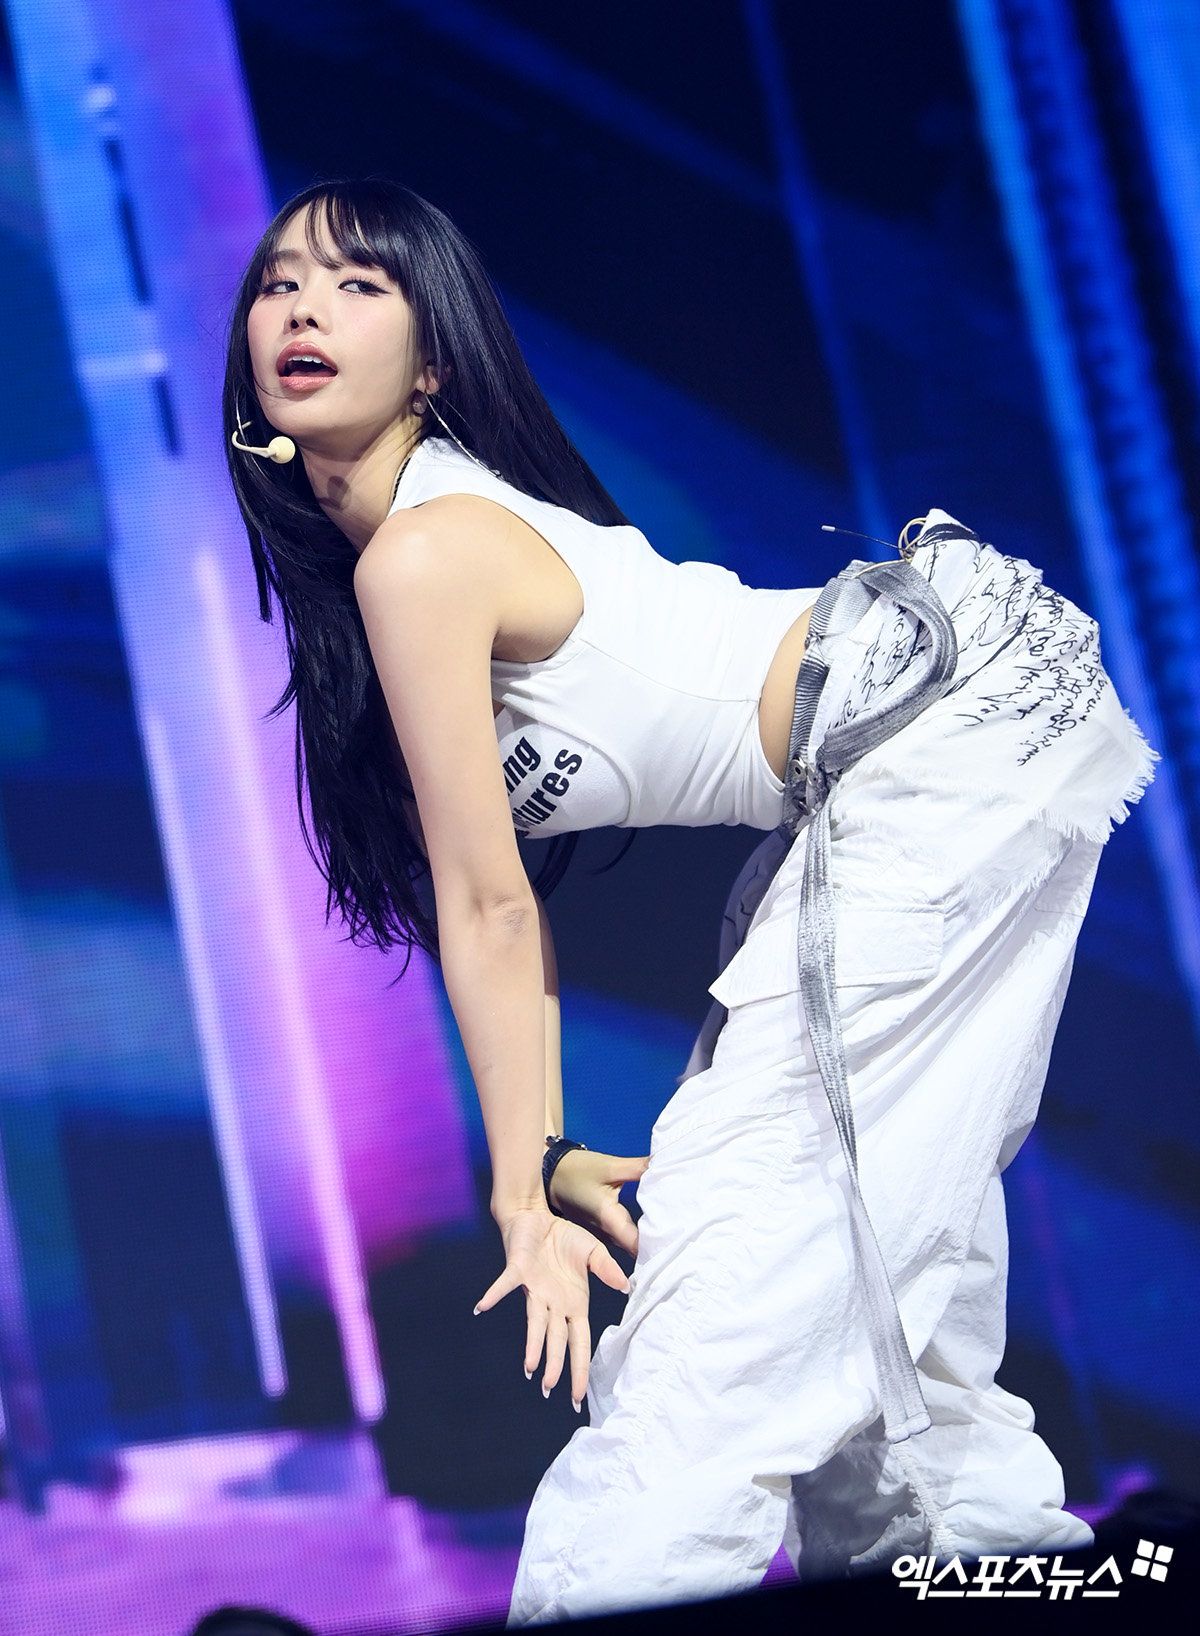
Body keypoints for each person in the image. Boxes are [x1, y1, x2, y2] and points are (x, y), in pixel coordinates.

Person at [224, 179, 1153, 1622]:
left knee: (719, 1311)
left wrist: (519, 1195)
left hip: (930, 728)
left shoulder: (426, 549)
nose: (305, 307)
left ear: (434, 361)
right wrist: (541, 1155)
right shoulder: (393, 571)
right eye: (281, 283)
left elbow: (490, 906)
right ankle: (1004, 1582)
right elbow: (498, 907)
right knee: (882, 1314)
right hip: (915, 750)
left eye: (360, 285)